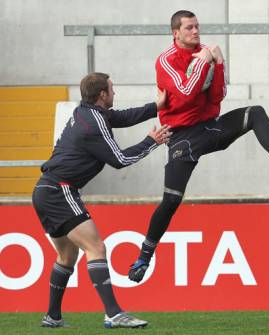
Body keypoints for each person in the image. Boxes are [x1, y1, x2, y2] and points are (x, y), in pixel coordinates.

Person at [128, 10, 269, 283]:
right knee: (171, 200)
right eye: (189, 28)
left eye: (197, 26)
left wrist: (218, 64)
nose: (196, 31)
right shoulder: (166, 60)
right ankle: (145, 255)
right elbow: (184, 93)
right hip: (181, 137)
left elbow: (218, 95)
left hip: (209, 128)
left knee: (255, 112)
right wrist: (207, 61)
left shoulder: (207, 52)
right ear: (175, 33)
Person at [32, 72, 171, 329]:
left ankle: (52, 317)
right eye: (112, 89)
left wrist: (156, 107)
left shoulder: (86, 112)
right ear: (102, 95)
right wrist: (151, 142)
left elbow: (122, 117)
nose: (115, 93)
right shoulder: (95, 123)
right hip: (60, 190)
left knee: (67, 255)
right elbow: (119, 160)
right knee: (96, 247)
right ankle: (114, 313)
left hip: (45, 189)